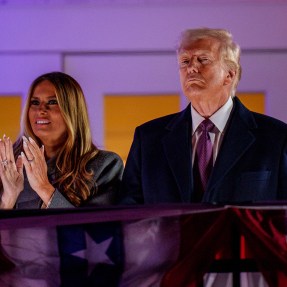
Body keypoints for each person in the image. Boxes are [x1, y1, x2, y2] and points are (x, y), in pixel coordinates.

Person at [120, 27, 287, 205]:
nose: (191, 68)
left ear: (230, 74)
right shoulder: (148, 139)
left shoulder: (277, 138)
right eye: (185, 61)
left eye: (203, 59)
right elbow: (127, 215)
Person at [0, 72, 124, 209]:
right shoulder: (9, 166)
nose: (41, 110)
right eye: (34, 102)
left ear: (73, 111)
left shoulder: (106, 165)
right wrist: (9, 198)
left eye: (52, 102)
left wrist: (44, 187)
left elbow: (97, 229)